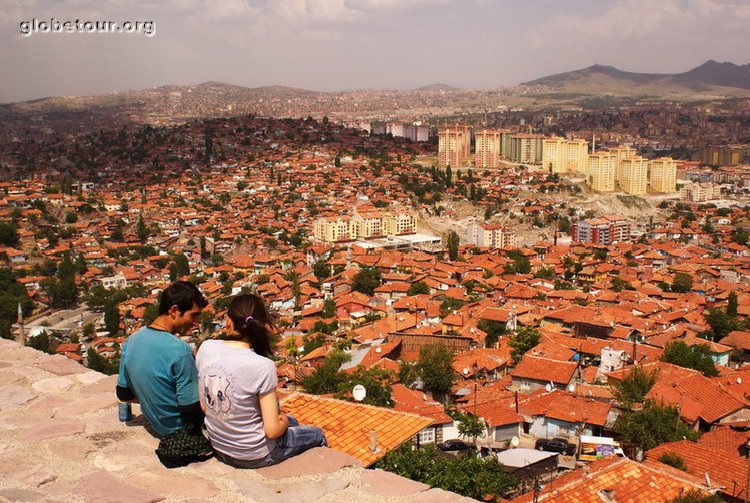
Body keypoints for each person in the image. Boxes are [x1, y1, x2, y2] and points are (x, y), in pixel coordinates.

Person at [196, 293, 327, 468]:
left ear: (228, 320)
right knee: (316, 433)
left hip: (219, 446)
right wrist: (284, 422)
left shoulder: (206, 348)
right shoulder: (262, 365)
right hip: (254, 455)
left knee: (293, 421)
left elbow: (204, 406)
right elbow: (272, 431)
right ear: (261, 325)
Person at [116, 280, 208, 439]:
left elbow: (123, 394)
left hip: (155, 425)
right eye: (193, 315)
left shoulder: (131, 340)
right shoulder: (180, 351)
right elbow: (190, 411)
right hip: (179, 431)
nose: (196, 323)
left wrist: (154, 400)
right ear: (174, 311)